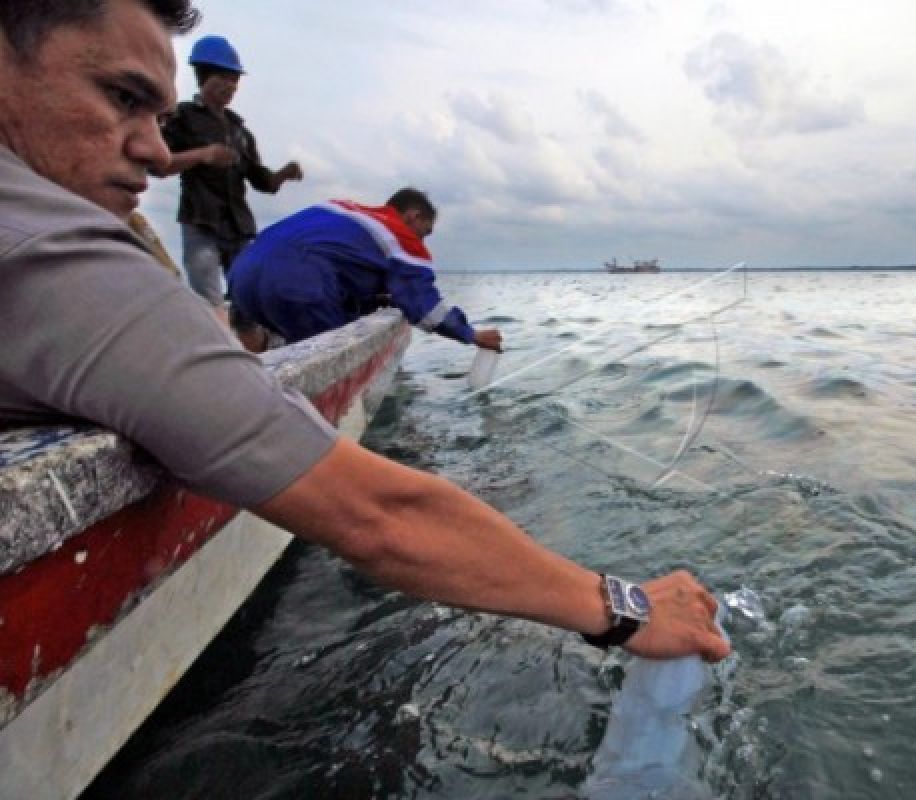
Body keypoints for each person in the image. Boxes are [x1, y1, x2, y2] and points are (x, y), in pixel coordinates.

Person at [0, 0, 729, 665]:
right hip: (292, 291)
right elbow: (378, 512)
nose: (158, 153)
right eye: (122, 97)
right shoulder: (59, 258)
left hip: (250, 271)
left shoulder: (339, 213)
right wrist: (624, 610)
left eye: (158, 117)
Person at [228, 188, 504, 350]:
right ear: (413, 216)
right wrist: (471, 335)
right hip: (296, 284)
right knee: (331, 354)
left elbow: (331, 259)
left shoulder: (339, 208)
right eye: (425, 233)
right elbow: (424, 307)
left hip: (241, 272)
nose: (422, 242)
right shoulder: (399, 236)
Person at [154, 33, 303, 324]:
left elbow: (263, 183)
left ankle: (252, 353)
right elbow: (159, 166)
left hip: (238, 229)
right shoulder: (182, 117)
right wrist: (204, 154)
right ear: (203, 77)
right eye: (224, 78)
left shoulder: (239, 131)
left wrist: (284, 174)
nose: (231, 87)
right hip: (202, 223)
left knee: (248, 300)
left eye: (235, 80)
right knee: (209, 304)